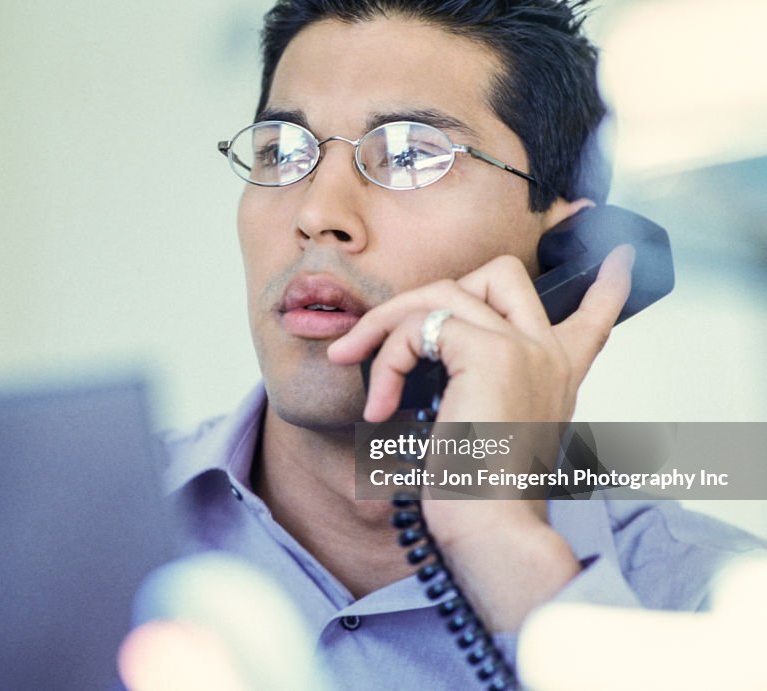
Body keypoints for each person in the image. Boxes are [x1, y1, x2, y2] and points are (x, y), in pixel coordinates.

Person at [155, 1, 765, 688]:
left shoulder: (715, 611)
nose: (317, 215)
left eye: (411, 155)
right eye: (282, 153)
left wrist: (505, 547)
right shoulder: (63, 539)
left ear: (570, 251)